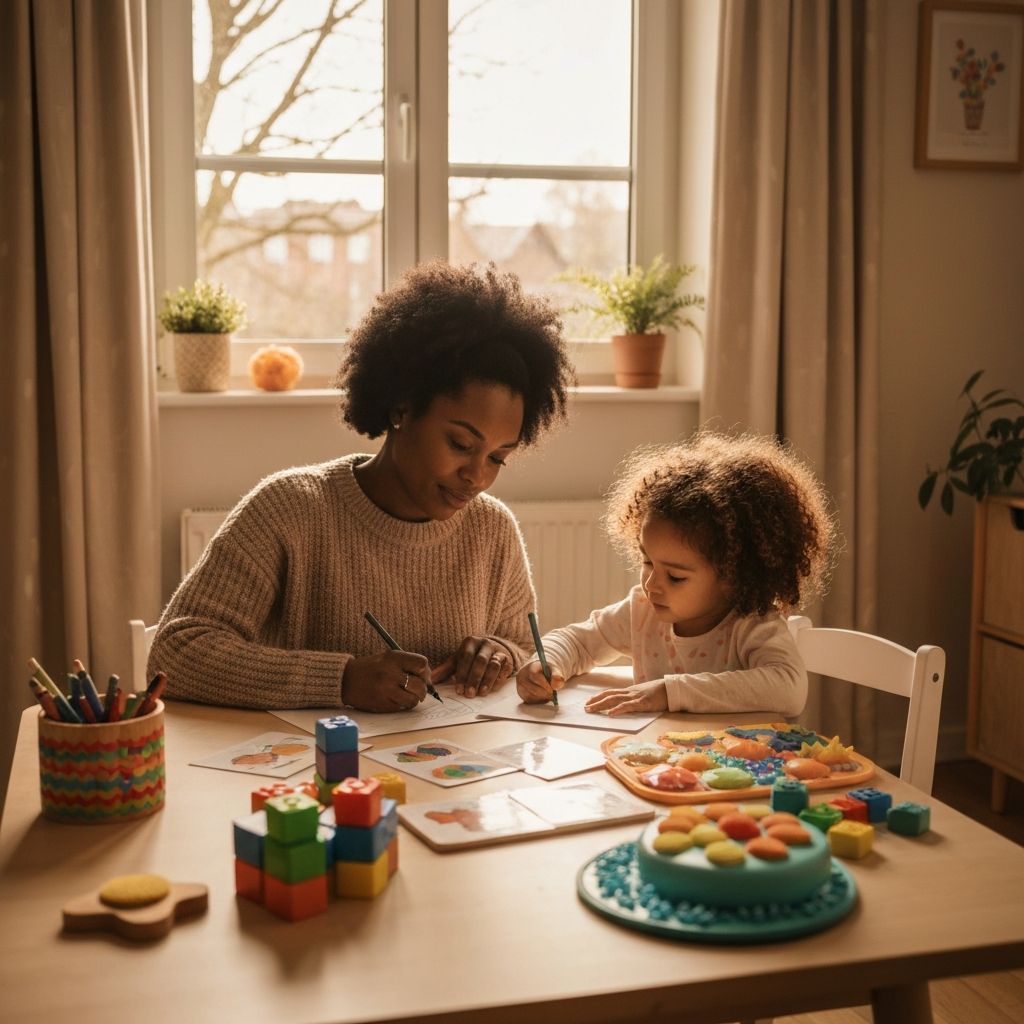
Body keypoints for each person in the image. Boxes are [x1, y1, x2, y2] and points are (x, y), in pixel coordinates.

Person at [150, 260, 574, 712]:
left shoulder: (492, 529)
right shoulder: (290, 509)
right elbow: (175, 652)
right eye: (459, 443)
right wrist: (342, 679)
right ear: (402, 408)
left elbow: (521, 646)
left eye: (497, 458)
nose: (477, 477)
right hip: (320, 774)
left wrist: (500, 655)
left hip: (450, 774)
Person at [516, 431, 836, 718]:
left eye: (676, 577)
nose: (651, 584)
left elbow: (789, 689)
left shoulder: (751, 623)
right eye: (647, 562)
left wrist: (668, 692)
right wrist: (547, 663)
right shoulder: (642, 610)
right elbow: (579, 642)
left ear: (734, 576)